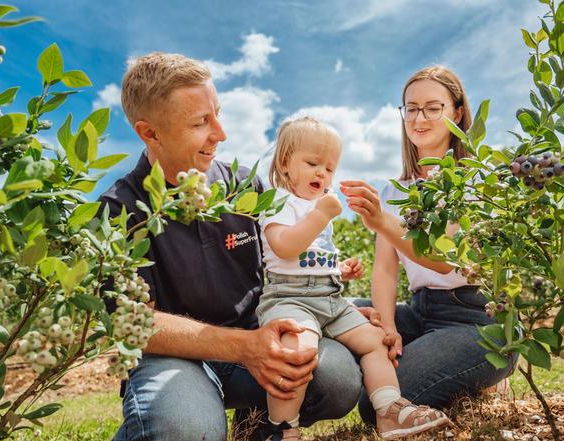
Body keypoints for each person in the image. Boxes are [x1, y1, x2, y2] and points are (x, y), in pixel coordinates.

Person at [98, 53, 365, 441]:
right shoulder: (119, 210)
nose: (221, 133)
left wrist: (345, 310)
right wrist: (242, 347)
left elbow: (288, 262)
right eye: (200, 122)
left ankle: (256, 424)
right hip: (176, 358)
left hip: (257, 336)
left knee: (336, 379)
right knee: (185, 430)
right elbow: (135, 323)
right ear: (149, 133)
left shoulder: (246, 189)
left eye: (217, 113)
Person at [340, 66, 516, 424]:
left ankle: (480, 375)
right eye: (411, 108)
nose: (420, 118)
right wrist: (387, 328)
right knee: (340, 312)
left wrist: (382, 222)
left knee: (374, 408)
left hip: (474, 320)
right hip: (421, 312)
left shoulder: (475, 178)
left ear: (457, 113)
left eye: (433, 108)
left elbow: (447, 261)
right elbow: (385, 269)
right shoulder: (394, 191)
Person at [258, 116, 451, 440]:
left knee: (375, 341)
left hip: (330, 298)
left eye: (330, 168)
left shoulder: (320, 205)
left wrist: (338, 269)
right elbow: (285, 247)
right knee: (298, 351)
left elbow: (311, 257)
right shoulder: (278, 201)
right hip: (289, 298)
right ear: (285, 163)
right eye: (313, 163)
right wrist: (322, 215)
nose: (323, 173)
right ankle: (283, 429)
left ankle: (389, 411)